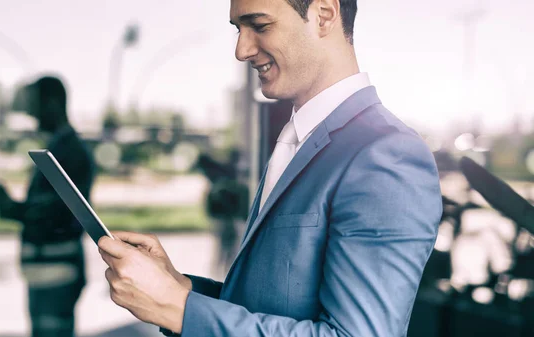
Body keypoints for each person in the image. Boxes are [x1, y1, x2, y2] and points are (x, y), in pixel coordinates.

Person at [97, 0, 442, 336]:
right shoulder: (298, 138)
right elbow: (265, 307)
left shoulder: (387, 155)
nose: (242, 50)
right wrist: (177, 286)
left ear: (324, 15)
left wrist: (177, 309)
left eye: (260, 26)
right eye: (238, 29)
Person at [0, 75, 95, 337]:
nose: (31, 113)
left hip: (56, 272)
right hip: (49, 271)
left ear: (52, 102)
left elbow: (59, 212)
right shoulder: (60, 147)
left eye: (34, 104)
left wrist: (8, 205)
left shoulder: (70, 150)